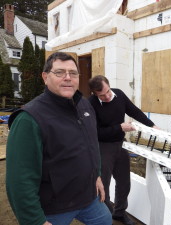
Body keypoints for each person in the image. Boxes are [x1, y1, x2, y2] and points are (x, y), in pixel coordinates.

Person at [6, 52, 112, 225]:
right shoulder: (29, 119)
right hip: (54, 207)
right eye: (60, 72)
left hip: (88, 197)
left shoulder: (84, 105)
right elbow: (19, 179)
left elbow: (92, 145)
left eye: (73, 73)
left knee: (105, 220)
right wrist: (35, 220)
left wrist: (97, 176)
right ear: (45, 77)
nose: (68, 78)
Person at [88, 75, 158, 225]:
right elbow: (95, 132)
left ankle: (119, 213)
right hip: (102, 147)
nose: (107, 96)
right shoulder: (91, 104)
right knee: (103, 186)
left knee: (124, 182)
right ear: (94, 93)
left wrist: (152, 126)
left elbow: (134, 111)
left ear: (109, 85)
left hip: (120, 144)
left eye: (107, 91)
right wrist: (119, 127)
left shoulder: (118, 94)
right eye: (102, 95)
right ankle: (105, 218)